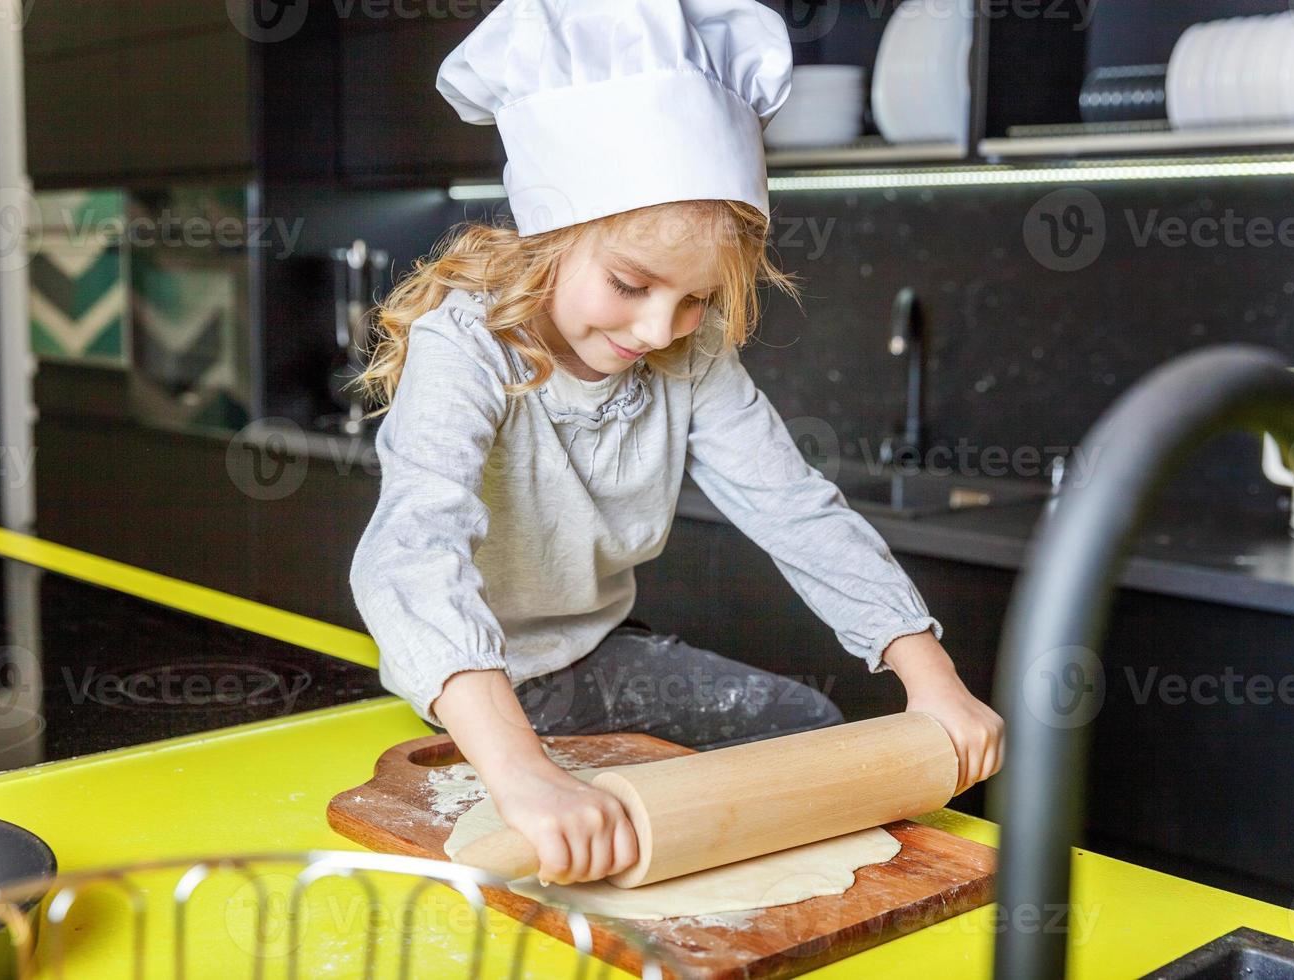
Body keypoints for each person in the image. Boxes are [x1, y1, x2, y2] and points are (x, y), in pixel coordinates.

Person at [349, 0, 1003, 889]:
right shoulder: (466, 349)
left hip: (598, 655)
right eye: (631, 283)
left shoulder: (689, 358)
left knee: (806, 721)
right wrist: (525, 775)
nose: (660, 328)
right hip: (479, 692)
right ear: (550, 237)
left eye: (695, 299)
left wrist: (931, 678)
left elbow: (794, 507)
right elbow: (411, 554)